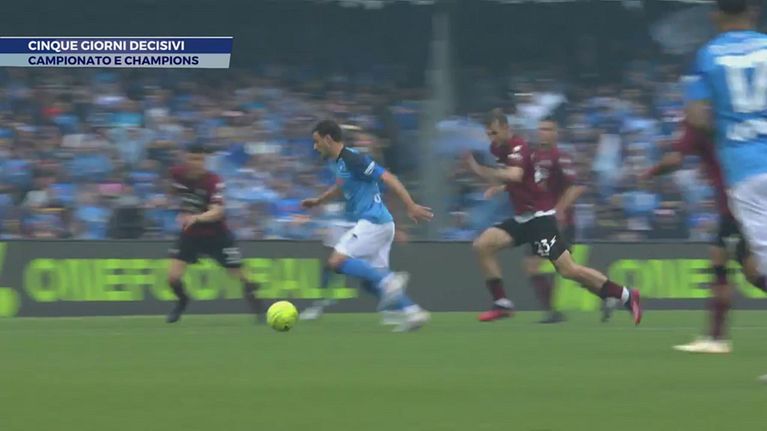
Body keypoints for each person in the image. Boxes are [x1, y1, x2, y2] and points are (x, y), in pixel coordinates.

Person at [466, 110, 642, 324]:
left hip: (540, 219)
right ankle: (501, 302)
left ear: (505, 127)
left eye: (494, 132)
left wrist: (481, 170)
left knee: (569, 270)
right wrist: (500, 186)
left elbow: (516, 174)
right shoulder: (500, 149)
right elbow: (525, 177)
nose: (491, 138)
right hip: (524, 219)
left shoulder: (519, 146)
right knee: (482, 245)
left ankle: (625, 294)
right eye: (488, 134)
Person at [643, 122, 767, 353]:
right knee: (752, 273)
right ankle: (715, 337)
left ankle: (716, 338)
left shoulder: (697, 124)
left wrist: (649, 173)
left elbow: (675, 160)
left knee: (720, 264)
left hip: (736, 205)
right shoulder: (739, 120)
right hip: (749, 201)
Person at [301, 120, 433, 332]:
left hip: (373, 222)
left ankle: (389, 279)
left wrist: (411, 205)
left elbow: (388, 177)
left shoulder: (353, 159)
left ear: (328, 139)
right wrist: (319, 201)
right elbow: (340, 186)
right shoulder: (337, 162)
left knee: (336, 261)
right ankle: (413, 312)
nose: (315, 147)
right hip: (380, 224)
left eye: (317, 142)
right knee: (370, 283)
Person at [165, 144, 264, 323]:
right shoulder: (177, 173)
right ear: (185, 159)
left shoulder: (213, 180)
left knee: (242, 276)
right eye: (192, 159)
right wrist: (173, 203)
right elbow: (173, 190)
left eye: (200, 159)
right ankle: (182, 301)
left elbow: (217, 211)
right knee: (172, 277)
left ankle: (259, 310)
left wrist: (195, 217)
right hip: (190, 235)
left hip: (217, 235)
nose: (196, 163)